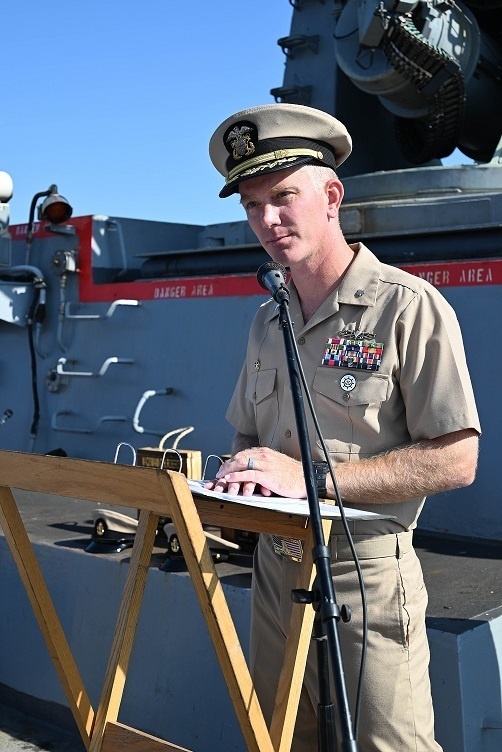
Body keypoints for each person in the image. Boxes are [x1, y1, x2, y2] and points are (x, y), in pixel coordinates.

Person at [206, 103, 480, 752]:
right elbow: (247, 435)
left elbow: (456, 459)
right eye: (251, 206)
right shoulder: (266, 320)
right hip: (274, 572)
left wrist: (312, 479)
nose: (267, 221)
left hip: (367, 578)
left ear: (331, 195)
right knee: (282, 740)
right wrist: (241, 477)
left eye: (282, 197)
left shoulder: (408, 308)